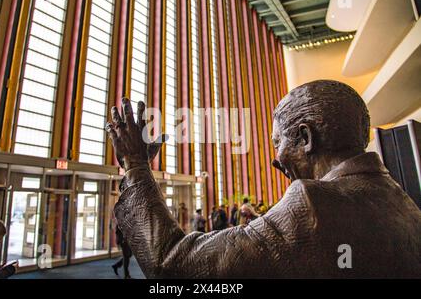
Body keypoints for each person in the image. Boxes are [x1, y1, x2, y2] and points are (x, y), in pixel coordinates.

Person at [107, 83, 421, 278]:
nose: (277, 158)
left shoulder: (310, 204)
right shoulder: (403, 203)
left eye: (277, 142)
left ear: (305, 137)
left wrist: (135, 164)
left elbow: (173, 265)